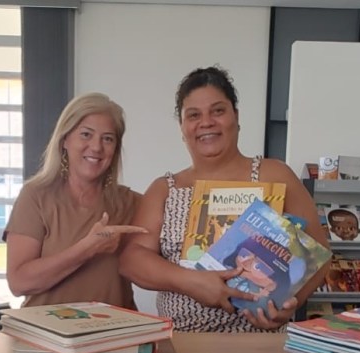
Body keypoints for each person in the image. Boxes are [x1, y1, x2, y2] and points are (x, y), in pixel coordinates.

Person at [119, 66, 329, 332]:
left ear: (236, 117)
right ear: (182, 127)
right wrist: (191, 282)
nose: (206, 122)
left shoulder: (274, 176)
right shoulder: (165, 189)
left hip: (258, 342)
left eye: (217, 111)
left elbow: (319, 257)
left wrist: (289, 305)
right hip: (184, 343)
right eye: (193, 115)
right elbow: (132, 260)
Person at [4, 93, 147, 310]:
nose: (96, 147)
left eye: (108, 139)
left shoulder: (132, 203)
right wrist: (88, 248)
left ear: (115, 149)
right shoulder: (35, 196)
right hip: (46, 330)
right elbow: (18, 282)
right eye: (86, 134)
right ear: (65, 140)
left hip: (116, 329)